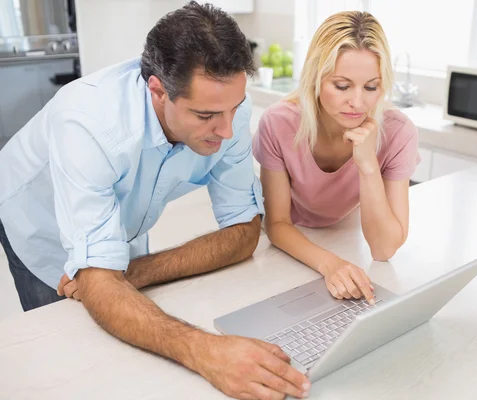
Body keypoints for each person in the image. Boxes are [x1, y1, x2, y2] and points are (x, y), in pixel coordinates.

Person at [0, 3, 310, 399]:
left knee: (126, 321)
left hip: (124, 215)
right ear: (158, 92)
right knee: (68, 350)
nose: (228, 129)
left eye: (234, 108)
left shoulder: (226, 107)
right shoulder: (87, 124)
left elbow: (244, 232)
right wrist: (207, 351)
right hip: (34, 214)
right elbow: (96, 282)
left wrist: (132, 273)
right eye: (206, 115)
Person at [253, 11, 420, 305]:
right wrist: (330, 265)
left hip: (350, 232)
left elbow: (382, 250)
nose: (357, 102)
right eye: (342, 86)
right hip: (293, 242)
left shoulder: (398, 131)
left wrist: (368, 166)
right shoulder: (278, 122)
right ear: (316, 78)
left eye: (371, 87)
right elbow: (277, 223)